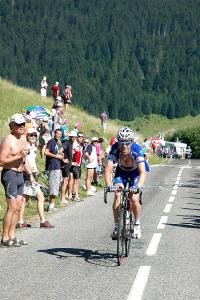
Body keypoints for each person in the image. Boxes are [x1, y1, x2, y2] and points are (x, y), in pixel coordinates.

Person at [104, 127, 149, 239]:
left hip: (135, 173)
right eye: (121, 142)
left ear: (131, 142)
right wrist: (109, 185)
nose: (124, 146)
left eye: (127, 143)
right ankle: (117, 226)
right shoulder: (115, 149)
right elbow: (108, 169)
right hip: (121, 172)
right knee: (117, 194)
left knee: (133, 198)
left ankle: (137, 224)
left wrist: (137, 186)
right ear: (118, 142)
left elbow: (142, 172)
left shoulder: (136, 149)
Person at [0, 114, 32, 247]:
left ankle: (12, 236)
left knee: (18, 207)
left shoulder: (24, 139)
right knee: (12, 207)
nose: (21, 127)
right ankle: (4, 238)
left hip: (20, 174)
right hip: (9, 174)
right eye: (18, 124)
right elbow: (1, 160)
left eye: (23, 124)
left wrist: (30, 174)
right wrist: (18, 155)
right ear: (11, 126)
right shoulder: (8, 140)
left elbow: (24, 159)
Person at [18, 128, 54, 228]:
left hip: (31, 173)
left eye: (35, 135)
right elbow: (24, 161)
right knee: (40, 196)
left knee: (25, 199)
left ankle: (20, 222)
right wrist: (30, 175)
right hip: (28, 174)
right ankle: (43, 221)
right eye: (31, 135)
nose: (33, 137)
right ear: (27, 136)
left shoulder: (33, 146)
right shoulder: (26, 146)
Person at [44, 129, 63, 211]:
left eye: (60, 134)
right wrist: (56, 156)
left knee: (56, 186)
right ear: (54, 134)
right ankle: (51, 206)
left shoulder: (57, 143)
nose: (58, 135)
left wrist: (60, 155)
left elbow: (56, 153)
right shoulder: (51, 141)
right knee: (53, 186)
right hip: (53, 167)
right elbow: (46, 152)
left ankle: (52, 205)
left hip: (57, 167)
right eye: (57, 134)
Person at [59, 131, 75, 203]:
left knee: (66, 181)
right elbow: (60, 151)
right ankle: (62, 199)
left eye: (75, 136)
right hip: (65, 165)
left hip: (68, 165)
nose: (74, 138)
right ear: (69, 137)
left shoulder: (71, 143)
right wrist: (63, 159)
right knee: (65, 181)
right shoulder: (67, 142)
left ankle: (64, 197)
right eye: (72, 136)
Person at [68, 132, 84, 201]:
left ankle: (75, 195)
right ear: (77, 137)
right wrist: (72, 162)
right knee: (75, 180)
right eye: (79, 136)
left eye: (81, 137)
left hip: (78, 164)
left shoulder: (80, 145)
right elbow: (71, 153)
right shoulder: (74, 144)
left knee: (77, 181)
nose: (80, 138)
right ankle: (73, 196)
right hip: (74, 164)